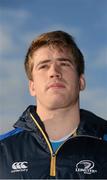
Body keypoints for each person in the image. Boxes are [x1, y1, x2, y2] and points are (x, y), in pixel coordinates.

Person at [0, 30, 107, 179]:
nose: (54, 72)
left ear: (81, 81)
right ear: (32, 86)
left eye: (64, 64)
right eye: (43, 66)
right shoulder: (4, 149)